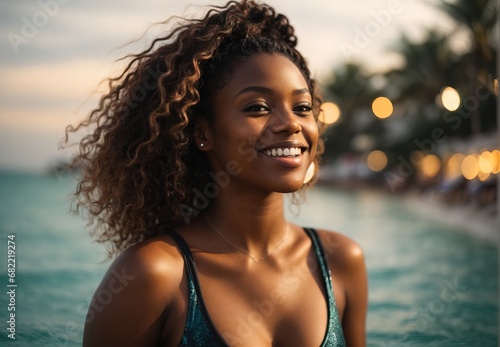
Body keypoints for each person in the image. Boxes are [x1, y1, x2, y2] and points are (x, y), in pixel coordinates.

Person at [66, 1, 367, 345]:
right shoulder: (154, 274)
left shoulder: (341, 259)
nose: (290, 124)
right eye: (257, 108)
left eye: (302, 107)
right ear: (203, 133)